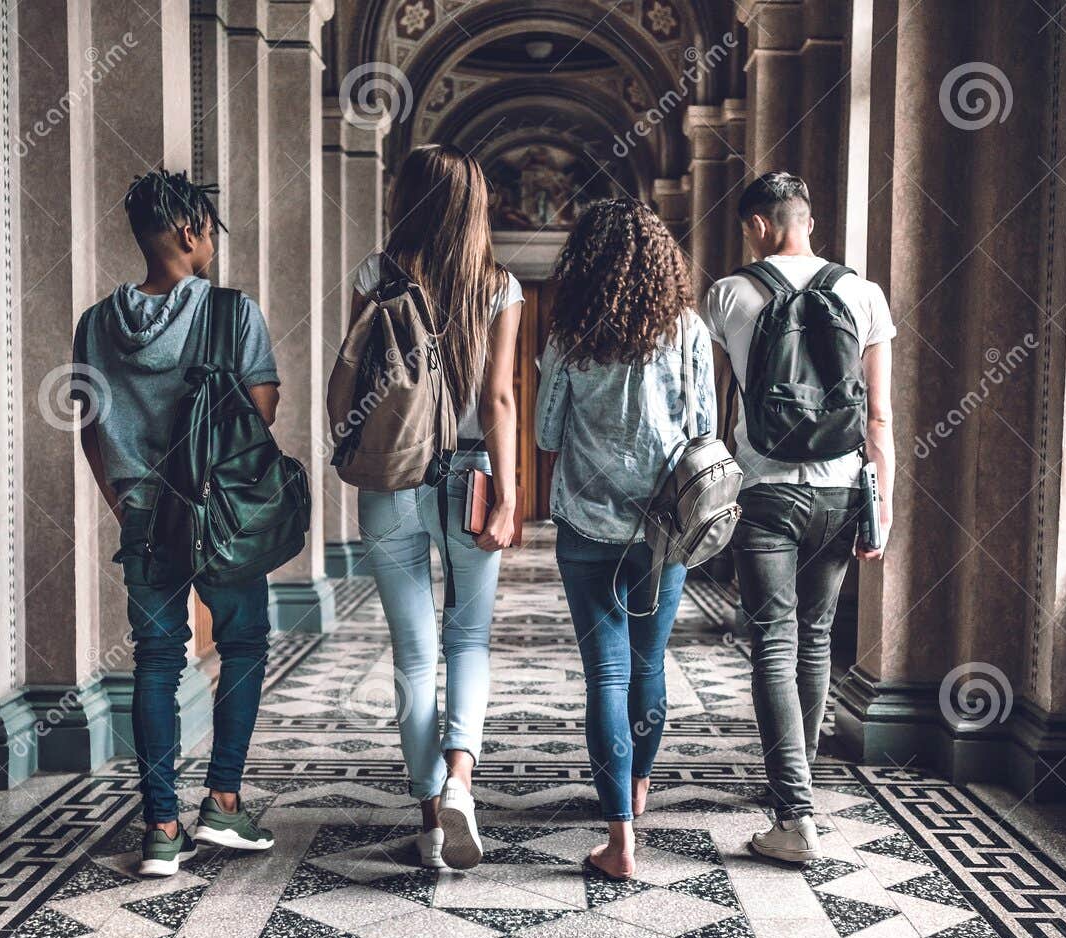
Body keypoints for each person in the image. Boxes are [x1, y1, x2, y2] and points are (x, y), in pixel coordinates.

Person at [73, 170, 280, 877]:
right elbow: (260, 416)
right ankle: (222, 800)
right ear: (191, 231)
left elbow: (90, 427)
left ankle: (162, 828)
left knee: (157, 663)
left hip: (144, 517)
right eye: (210, 231)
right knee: (244, 639)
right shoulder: (232, 311)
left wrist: (126, 503)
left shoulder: (97, 324)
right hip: (223, 514)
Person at [703, 172, 897, 864]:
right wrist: (885, 506)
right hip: (843, 489)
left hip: (765, 492)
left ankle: (795, 811)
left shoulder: (729, 294)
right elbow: (879, 415)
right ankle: (799, 787)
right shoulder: (863, 293)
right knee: (815, 639)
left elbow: (715, 406)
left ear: (758, 224)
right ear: (808, 220)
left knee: (774, 644)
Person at [344, 145, 522, 871]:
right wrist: (511, 496)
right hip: (472, 472)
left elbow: (356, 374)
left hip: (391, 476)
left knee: (414, 653)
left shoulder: (373, 274)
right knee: (468, 640)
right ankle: (461, 782)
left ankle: (427, 818)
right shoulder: (499, 285)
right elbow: (499, 398)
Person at [537, 199, 715, 881]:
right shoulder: (688, 329)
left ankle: (620, 836)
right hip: (665, 529)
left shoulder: (569, 334)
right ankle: (637, 787)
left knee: (605, 675)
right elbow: (701, 428)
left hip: (586, 526)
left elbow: (546, 434)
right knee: (649, 665)